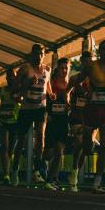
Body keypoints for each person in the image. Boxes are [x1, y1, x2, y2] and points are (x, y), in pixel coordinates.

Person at [73, 36, 105, 194]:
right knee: (87, 147)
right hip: (92, 109)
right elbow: (77, 80)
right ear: (99, 52)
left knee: (104, 145)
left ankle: (97, 183)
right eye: (104, 49)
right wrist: (84, 92)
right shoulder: (91, 66)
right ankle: (75, 175)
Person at [10, 44, 51, 185]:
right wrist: (26, 84)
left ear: (44, 55)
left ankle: (37, 169)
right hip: (26, 109)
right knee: (21, 140)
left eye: (41, 53)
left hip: (40, 108)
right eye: (36, 53)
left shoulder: (47, 70)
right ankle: (14, 169)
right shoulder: (25, 69)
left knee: (41, 136)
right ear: (31, 55)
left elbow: (48, 87)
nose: (38, 56)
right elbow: (14, 88)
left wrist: (52, 95)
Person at [44, 57, 72, 190]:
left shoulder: (70, 84)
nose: (64, 70)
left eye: (66, 68)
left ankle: (51, 178)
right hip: (51, 120)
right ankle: (42, 171)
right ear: (57, 69)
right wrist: (47, 113)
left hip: (63, 121)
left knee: (59, 151)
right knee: (48, 153)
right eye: (61, 68)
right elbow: (46, 99)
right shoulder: (52, 83)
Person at [0, 68, 21, 185]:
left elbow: (23, 101)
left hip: (14, 122)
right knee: (4, 147)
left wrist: (18, 99)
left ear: (16, 77)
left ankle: (11, 170)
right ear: (6, 78)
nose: (10, 78)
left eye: (13, 76)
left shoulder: (19, 89)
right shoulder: (2, 89)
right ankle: (6, 175)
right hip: (3, 121)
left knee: (10, 150)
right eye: (8, 76)